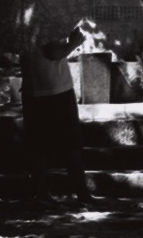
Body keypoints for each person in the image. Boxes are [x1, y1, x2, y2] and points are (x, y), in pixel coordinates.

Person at [21, 23, 93, 202]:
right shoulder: (46, 20)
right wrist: (74, 43)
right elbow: (53, 53)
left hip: (32, 88)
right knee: (71, 144)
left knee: (37, 146)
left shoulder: (20, 23)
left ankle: (41, 194)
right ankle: (82, 194)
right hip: (57, 88)